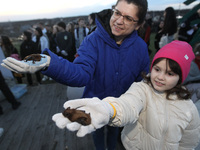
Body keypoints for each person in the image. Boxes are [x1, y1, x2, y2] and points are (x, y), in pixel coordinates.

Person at [1, 0, 150, 149]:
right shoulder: (93, 40)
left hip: (120, 107)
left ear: (138, 24)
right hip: (94, 105)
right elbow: (81, 73)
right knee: (97, 133)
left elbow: (141, 85)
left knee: (113, 133)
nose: (118, 21)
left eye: (128, 18)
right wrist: (49, 63)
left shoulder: (141, 48)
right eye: (117, 13)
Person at [52, 40, 200, 150]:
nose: (160, 77)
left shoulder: (188, 108)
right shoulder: (142, 89)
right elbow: (128, 104)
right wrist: (109, 110)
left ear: (180, 78)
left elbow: (189, 143)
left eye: (169, 73)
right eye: (157, 69)